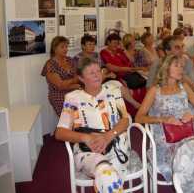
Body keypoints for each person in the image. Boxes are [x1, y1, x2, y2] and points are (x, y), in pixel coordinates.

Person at [55, 58, 131, 193]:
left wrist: (108, 136)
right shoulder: (73, 98)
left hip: (116, 146)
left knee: (107, 177)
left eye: (98, 71)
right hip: (88, 151)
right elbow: (60, 132)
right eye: (91, 73)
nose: (97, 75)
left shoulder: (113, 91)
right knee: (106, 173)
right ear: (81, 78)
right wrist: (87, 138)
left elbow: (125, 120)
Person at [135, 54, 194, 181]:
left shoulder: (184, 87)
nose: (181, 70)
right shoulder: (155, 90)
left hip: (187, 136)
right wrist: (163, 119)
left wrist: (193, 117)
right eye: (176, 66)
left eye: (182, 67)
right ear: (166, 68)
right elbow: (139, 118)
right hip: (166, 140)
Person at [100, 33, 146, 116]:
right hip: (119, 74)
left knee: (145, 81)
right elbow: (111, 68)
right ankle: (135, 108)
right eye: (114, 43)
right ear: (108, 42)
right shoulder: (104, 52)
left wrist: (123, 49)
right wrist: (128, 69)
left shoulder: (119, 50)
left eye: (117, 43)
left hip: (129, 72)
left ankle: (144, 108)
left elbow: (131, 60)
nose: (116, 45)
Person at [41, 36, 80, 116]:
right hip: (59, 95)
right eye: (62, 47)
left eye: (66, 47)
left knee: (82, 117)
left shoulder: (70, 60)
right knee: (69, 120)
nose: (66, 49)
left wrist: (75, 84)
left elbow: (78, 76)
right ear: (54, 48)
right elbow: (60, 85)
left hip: (74, 92)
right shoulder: (50, 64)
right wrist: (74, 83)